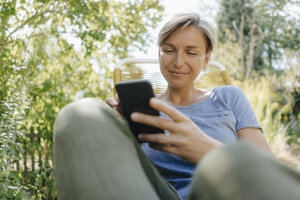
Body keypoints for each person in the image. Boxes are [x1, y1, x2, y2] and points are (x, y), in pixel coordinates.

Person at [53, 13, 300, 200]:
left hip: (223, 193)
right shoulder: (143, 109)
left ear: (206, 60)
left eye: (191, 52)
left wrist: (207, 149)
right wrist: (115, 127)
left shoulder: (228, 97)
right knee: (80, 114)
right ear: (160, 54)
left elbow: (267, 168)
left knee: (239, 158)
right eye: (169, 50)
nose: (178, 62)